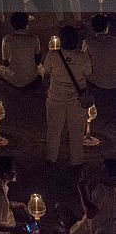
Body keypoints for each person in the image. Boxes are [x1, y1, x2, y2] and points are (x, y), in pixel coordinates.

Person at [44, 25, 92, 166]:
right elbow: (88, 73)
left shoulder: (52, 55)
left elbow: (46, 70)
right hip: (76, 100)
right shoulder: (83, 56)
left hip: (55, 98)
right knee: (77, 131)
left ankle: (51, 158)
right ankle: (77, 161)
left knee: (53, 130)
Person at [61, 159, 116, 234]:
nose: (101, 172)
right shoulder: (111, 189)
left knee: (68, 218)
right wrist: (86, 188)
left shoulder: (102, 189)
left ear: (109, 175)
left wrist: (81, 190)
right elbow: (99, 206)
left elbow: (90, 213)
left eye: (104, 171)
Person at [0, 12, 42, 88]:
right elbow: (37, 61)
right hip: (31, 78)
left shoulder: (6, 39)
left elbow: (6, 63)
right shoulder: (34, 39)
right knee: (41, 67)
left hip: (12, 78)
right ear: (26, 25)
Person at [82, 13, 116, 89]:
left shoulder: (88, 42)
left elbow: (83, 62)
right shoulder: (114, 41)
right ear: (106, 27)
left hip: (97, 81)